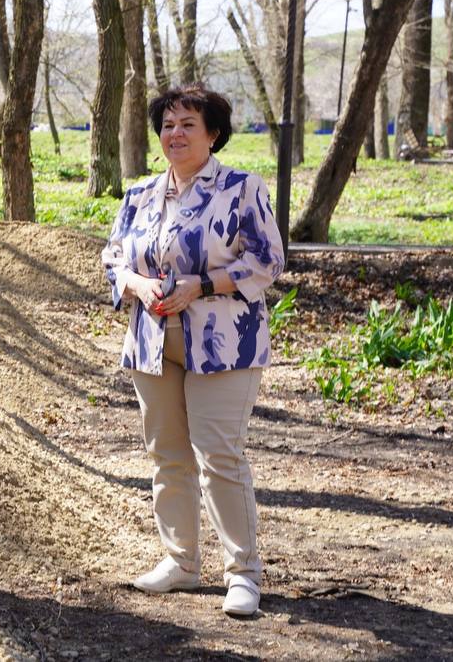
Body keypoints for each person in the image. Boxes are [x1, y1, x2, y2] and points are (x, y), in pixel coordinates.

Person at [101, 84, 284, 617]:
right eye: (168, 125)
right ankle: (181, 561)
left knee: (219, 455)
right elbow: (114, 258)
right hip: (153, 341)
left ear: (213, 134)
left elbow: (269, 261)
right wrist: (135, 284)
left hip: (223, 344)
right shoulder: (139, 194)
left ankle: (243, 573)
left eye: (187, 124)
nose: (175, 133)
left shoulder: (242, 189)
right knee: (166, 453)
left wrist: (201, 286)